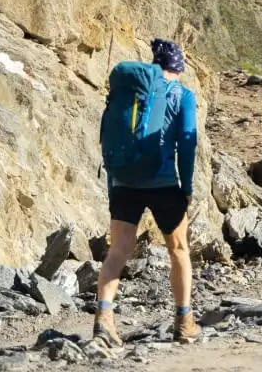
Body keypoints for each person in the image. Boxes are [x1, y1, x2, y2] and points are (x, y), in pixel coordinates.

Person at [93, 38, 200, 347]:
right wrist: (187, 187)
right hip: (163, 183)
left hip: (124, 181)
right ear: (179, 67)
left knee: (118, 252)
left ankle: (104, 318)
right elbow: (188, 145)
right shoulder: (183, 95)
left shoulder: (133, 92)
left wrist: (114, 181)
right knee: (179, 250)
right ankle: (184, 321)